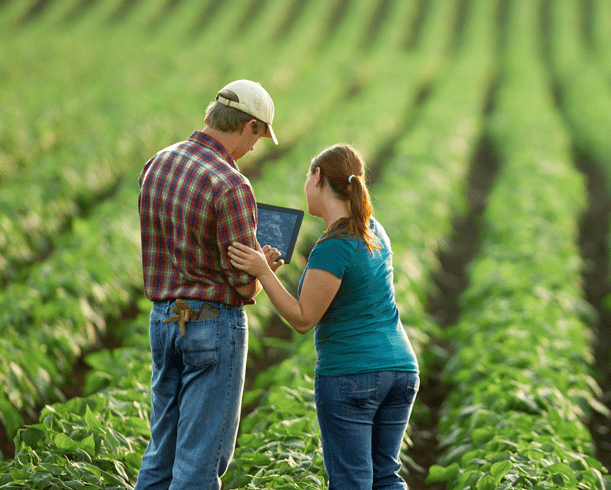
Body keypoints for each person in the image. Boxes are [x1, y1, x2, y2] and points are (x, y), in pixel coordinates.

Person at [227, 144, 419, 489]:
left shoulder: (334, 245)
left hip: (353, 374)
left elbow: (303, 319)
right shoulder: (374, 229)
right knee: (385, 476)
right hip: (401, 369)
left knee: (352, 480)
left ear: (317, 177)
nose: (305, 186)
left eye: (306, 177)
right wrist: (267, 270)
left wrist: (262, 273)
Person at [136, 79, 281, 490]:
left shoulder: (158, 163)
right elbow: (241, 284)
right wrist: (262, 270)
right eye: (258, 136)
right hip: (210, 323)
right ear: (248, 126)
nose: (254, 148)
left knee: (161, 448)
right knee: (201, 460)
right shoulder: (232, 184)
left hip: (166, 318)